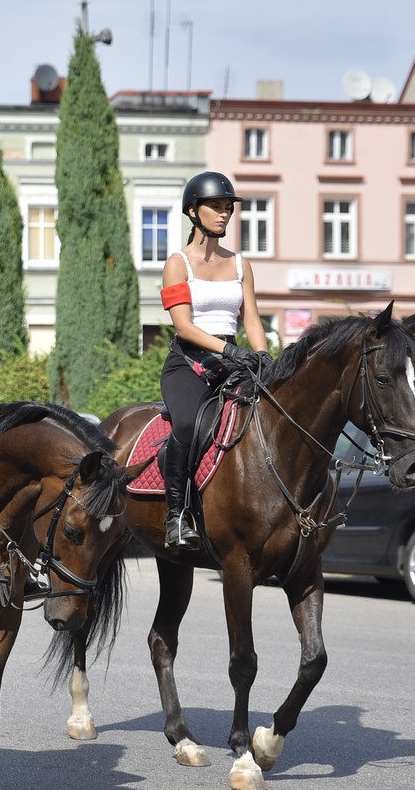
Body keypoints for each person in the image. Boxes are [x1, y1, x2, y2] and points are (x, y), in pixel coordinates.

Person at [158, 171, 271, 549]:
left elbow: (251, 318)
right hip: (189, 362)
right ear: (193, 210)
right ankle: (177, 515)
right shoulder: (178, 264)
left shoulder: (241, 265)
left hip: (235, 362)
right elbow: (184, 327)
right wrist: (229, 350)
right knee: (189, 426)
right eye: (216, 207)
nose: (224, 214)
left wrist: (263, 355)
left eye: (228, 208)